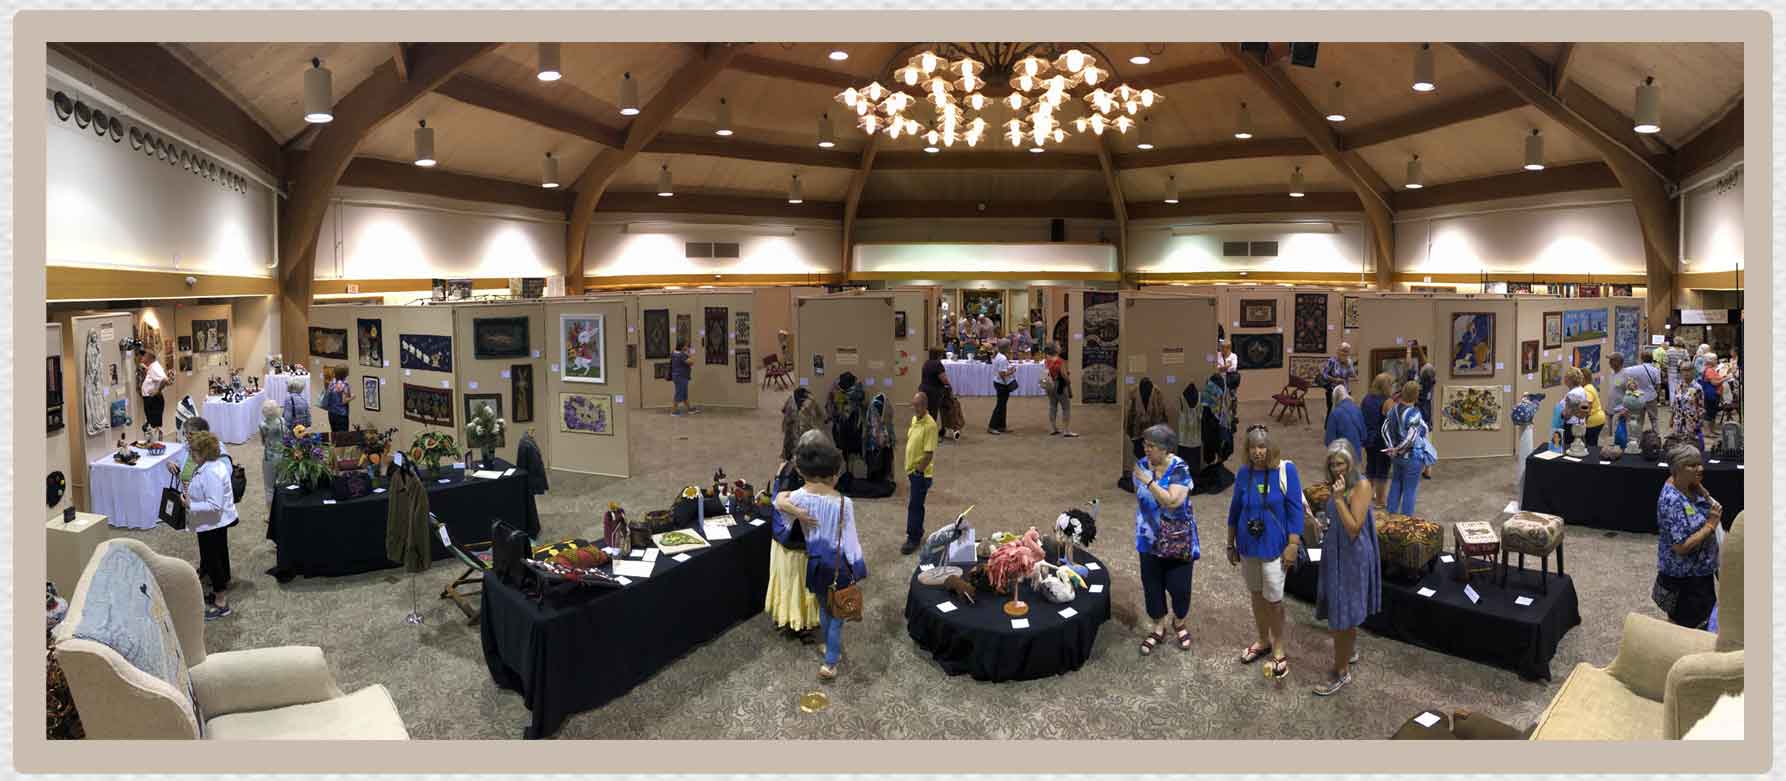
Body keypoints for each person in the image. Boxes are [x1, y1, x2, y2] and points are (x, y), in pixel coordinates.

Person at [773, 437, 867, 681]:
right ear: (833, 473)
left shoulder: (798, 498)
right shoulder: (844, 503)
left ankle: (828, 646)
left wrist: (795, 512)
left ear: (804, 471)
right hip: (839, 567)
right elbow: (850, 541)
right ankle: (830, 662)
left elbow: (778, 500)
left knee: (824, 609)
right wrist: (858, 568)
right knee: (837, 617)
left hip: (814, 565)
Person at [1227, 424, 1303, 680]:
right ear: (1247, 450)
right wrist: (1230, 543)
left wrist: (1293, 545)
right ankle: (1262, 640)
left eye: (1262, 446)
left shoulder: (1285, 471)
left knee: (1274, 600)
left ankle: (1279, 646)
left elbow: (1295, 510)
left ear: (1269, 447)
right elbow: (1234, 510)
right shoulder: (1243, 473)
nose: (1258, 452)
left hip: (1274, 548)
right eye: (1253, 447)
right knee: (1256, 595)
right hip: (1248, 546)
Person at [1310, 440, 1380, 696]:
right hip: (1335, 552)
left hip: (1352, 557)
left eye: (1340, 463)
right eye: (1331, 463)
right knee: (1342, 612)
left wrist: (1338, 500)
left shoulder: (1360, 486)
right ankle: (1348, 651)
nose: (1335, 468)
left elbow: (1353, 529)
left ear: (1351, 462)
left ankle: (1340, 673)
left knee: (1342, 618)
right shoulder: (1338, 485)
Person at [1132, 424, 1198, 655]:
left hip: (1177, 539)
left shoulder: (1180, 468)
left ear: (1166, 449)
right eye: (1145, 444)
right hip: (1148, 539)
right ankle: (1158, 626)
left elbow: (1172, 501)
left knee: (1180, 588)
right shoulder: (1141, 466)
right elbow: (1141, 499)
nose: (1146, 449)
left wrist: (1149, 482)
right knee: (1152, 585)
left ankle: (1179, 622)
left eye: (1152, 446)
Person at [766, 430, 826, 643]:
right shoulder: (792, 471)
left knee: (796, 581)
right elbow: (780, 500)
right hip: (792, 538)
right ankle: (797, 622)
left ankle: (796, 619)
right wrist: (803, 514)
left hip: (797, 537)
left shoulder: (807, 470)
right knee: (796, 581)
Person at [1655, 447, 1721, 629]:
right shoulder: (1671, 501)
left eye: (1700, 463)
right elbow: (1681, 547)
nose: (1700, 468)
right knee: (1691, 627)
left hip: (1701, 573)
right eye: (1692, 465)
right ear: (1678, 469)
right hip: (1686, 580)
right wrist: (1710, 525)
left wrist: (1701, 490)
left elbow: (1698, 495)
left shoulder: (1686, 484)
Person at [182, 431, 237, 621]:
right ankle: (219, 588)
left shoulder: (211, 472)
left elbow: (214, 505)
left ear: (204, 452)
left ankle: (221, 603)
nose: (191, 455)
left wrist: (190, 504)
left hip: (211, 523)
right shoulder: (209, 466)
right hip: (213, 523)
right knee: (218, 556)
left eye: (194, 451)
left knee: (212, 559)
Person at [1380, 381, 1432, 515]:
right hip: (1411, 457)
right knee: (1410, 489)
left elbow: (1384, 428)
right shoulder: (1414, 413)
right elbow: (1411, 436)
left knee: (1396, 484)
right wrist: (1398, 448)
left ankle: (1390, 516)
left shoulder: (1393, 409)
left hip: (1397, 457)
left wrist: (1391, 447)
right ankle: (1406, 521)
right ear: (1416, 395)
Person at [901, 391, 939, 555]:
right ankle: (919, 530)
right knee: (917, 504)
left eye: (918, 405)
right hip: (913, 471)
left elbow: (929, 454)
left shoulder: (930, 425)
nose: (914, 408)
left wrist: (918, 472)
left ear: (925, 406)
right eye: (913, 405)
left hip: (921, 474)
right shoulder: (915, 419)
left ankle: (913, 538)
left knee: (914, 506)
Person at [1123, 377, 1169, 491]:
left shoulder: (1158, 393)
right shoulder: (1133, 393)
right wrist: (1128, 430)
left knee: (1153, 458)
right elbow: (1129, 413)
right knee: (1140, 456)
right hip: (1138, 432)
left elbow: (1162, 412)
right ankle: (1141, 482)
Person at [1360, 373, 1395, 509]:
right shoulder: (1387, 401)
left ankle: (1366, 496)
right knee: (1382, 472)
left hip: (1369, 439)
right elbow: (1392, 423)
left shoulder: (1366, 399)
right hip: (1382, 440)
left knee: (1371, 468)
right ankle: (1380, 501)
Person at [1403, 342, 1437, 478]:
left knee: (1412, 442)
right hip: (1427, 414)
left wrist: (1409, 349)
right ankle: (1428, 469)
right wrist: (1419, 349)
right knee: (1427, 441)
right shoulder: (1430, 380)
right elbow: (1428, 365)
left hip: (1416, 415)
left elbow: (1408, 365)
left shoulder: (1415, 383)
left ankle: (1412, 468)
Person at [918, 348, 962, 441]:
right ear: (938, 355)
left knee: (925, 412)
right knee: (933, 414)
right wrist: (949, 387)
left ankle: (924, 433)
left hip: (923, 389)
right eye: (941, 354)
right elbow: (944, 379)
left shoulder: (927, 363)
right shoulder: (938, 364)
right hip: (933, 391)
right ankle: (932, 436)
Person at [1564, 367, 1607, 447]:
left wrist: (1577, 416)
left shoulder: (1586, 389)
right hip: (1598, 418)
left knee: (1590, 445)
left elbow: (1587, 408)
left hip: (1593, 421)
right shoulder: (1587, 387)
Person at [1323, 384, 1367, 461]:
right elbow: (1364, 436)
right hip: (1356, 453)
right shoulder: (1357, 409)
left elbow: (1329, 440)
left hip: (1341, 455)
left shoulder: (1335, 413)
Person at [1042, 343, 1079, 437]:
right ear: (1055, 350)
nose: (1060, 347)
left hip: (1050, 385)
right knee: (1066, 407)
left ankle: (1053, 428)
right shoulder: (1060, 361)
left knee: (1052, 406)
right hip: (1060, 385)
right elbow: (1064, 375)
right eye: (1058, 346)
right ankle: (1066, 430)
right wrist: (1069, 383)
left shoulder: (1047, 360)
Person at [1317, 343, 1356, 423]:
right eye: (1342, 351)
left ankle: (1341, 428)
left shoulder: (1349, 362)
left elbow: (1353, 375)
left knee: (1344, 410)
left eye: (1346, 351)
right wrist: (1335, 379)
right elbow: (1324, 375)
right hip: (1332, 389)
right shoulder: (1332, 361)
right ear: (1338, 351)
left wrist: (1348, 365)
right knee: (1332, 410)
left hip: (1345, 389)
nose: (1344, 353)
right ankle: (1329, 428)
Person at [1669, 370, 1708, 450]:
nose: (1686, 373)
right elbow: (1675, 403)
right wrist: (1671, 418)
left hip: (1691, 419)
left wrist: (1699, 422)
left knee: (1691, 443)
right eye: (1684, 370)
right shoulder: (1679, 386)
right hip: (1679, 419)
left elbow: (1701, 406)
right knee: (1678, 442)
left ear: (1693, 373)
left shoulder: (1698, 387)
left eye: (1688, 370)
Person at [258, 399, 286, 510]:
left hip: (269, 457)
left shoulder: (262, 425)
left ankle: (270, 513)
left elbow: (263, 442)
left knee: (269, 486)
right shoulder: (282, 421)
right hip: (283, 455)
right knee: (283, 483)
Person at [987, 339, 1015, 435]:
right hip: (1002, 384)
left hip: (998, 382)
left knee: (1002, 405)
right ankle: (992, 426)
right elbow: (1003, 374)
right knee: (1000, 406)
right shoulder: (1002, 358)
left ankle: (1001, 426)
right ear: (1006, 347)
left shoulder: (998, 356)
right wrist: (1012, 371)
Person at [1175, 376, 1203, 469]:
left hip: (1183, 439)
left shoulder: (1182, 398)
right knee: (1195, 466)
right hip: (1196, 439)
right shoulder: (1199, 397)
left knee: (1182, 467)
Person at [137, 349, 169, 430]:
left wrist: (157, 391)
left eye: (144, 355)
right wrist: (146, 369)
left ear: (149, 357)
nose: (142, 357)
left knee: (154, 427)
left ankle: (156, 442)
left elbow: (165, 380)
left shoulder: (154, 367)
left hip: (153, 400)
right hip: (150, 399)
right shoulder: (152, 367)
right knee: (152, 425)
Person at [670, 338, 698, 416]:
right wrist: (691, 354)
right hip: (681, 377)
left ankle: (689, 409)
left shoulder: (674, 353)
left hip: (678, 376)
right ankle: (674, 411)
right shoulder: (681, 355)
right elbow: (691, 362)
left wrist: (687, 353)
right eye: (686, 345)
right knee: (679, 393)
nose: (687, 346)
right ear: (682, 346)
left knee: (684, 394)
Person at [322, 366, 353, 433]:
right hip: (341, 414)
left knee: (334, 434)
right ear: (345, 374)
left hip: (331, 414)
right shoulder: (345, 384)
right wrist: (352, 397)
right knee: (343, 436)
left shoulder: (331, 383)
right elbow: (344, 401)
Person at [1215, 339, 1240, 422]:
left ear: (1228, 348)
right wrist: (1225, 367)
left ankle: (1234, 414)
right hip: (1221, 380)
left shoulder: (1233, 356)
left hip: (1231, 380)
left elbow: (1233, 368)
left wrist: (1221, 368)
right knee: (1221, 397)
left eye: (1223, 347)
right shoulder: (1218, 355)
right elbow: (1215, 368)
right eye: (1221, 347)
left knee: (1233, 397)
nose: (1221, 349)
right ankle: (1222, 414)